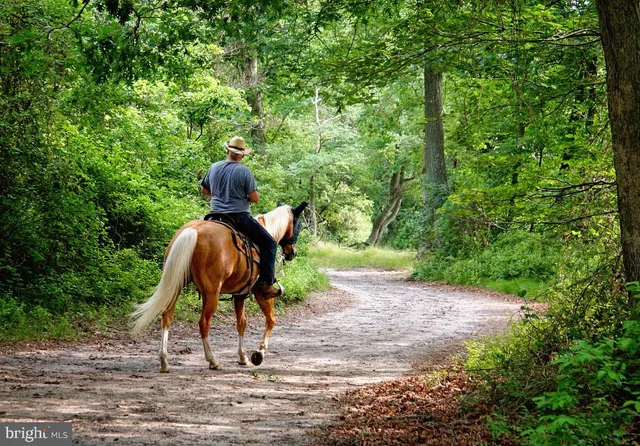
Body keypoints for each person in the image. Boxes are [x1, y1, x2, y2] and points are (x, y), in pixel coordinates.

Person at [200, 136, 281, 298]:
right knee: (270, 244)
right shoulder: (244, 171)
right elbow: (255, 198)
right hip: (238, 218)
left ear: (227, 150)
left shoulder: (214, 167)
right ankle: (266, 284)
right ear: (242, 154)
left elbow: (205, 191)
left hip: (214, 217)